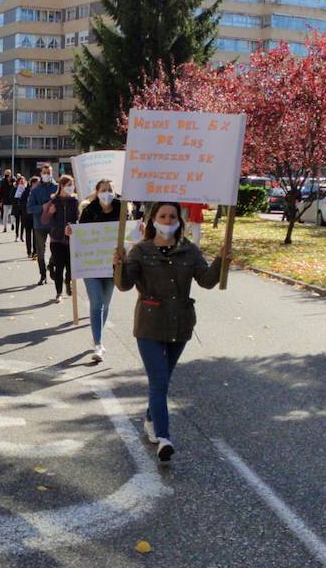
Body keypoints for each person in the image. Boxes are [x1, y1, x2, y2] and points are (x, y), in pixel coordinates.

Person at [115, 202, 227, 461]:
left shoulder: (189, 250)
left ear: (180, 220)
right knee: (159, 382)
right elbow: (123, 285)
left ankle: (150, 419)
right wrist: (118, 264)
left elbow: (207, 281)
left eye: (172, 216)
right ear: (153, 219)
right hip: (149, 325)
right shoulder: (140, 250)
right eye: (162, 216)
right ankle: (164, 437)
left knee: (163, 380)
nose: (167, 220)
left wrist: (222, 259)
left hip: (180, 324)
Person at [79, 179, 122, 362]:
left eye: (110, 189)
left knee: (105, 303)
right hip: (91, 266)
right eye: (103, 190)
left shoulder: (123, 210)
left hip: (113, 266)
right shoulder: (89, 211)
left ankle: (98, 337)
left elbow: (130, 234)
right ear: (97, 192)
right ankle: (98, 344)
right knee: (96, 303)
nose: (107, 193)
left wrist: (140, 229)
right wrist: (71, 233)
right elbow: (80, 236)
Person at [45, 174, 81, 303]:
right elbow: (44, 220)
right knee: (59, 268)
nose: (71, 188)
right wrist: (50, 212)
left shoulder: (76, 201)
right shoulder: (53, 201)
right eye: (68, 185)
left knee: (71, 268)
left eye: (72, 185)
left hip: (72, 240)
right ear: (61, 186)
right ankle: (58, 293)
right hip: (57, 240)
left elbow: (80, 219)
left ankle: (68, 281)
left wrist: (76, 224)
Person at [27, 165, 59, 285]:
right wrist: (42, 207)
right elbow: (29, 208)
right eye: (44, 172)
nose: (46, 174)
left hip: (54, 224)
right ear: (41, 173)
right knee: (40, 252)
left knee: (56, 249)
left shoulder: (57, 188)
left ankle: (51, 265)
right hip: (39, 225)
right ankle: (43, 275)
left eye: (48, 172)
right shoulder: (35, 190)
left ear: (52, 173)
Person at [21, 175, 39, 257]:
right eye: (36, 183)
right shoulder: (26, 192)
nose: (37, 185)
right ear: (32, 183)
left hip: (36, 217)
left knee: (35, 235)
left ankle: (35, 251)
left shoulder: (39, 192)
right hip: (27, 216)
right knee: (28, 234)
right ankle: (29, 251)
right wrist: (27, 209)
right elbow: (21, 202)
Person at [11, 175, 28, 243]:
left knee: (23, 222)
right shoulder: (14, 188)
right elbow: (11, 197)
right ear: (18, 182)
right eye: (20, 181)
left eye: (22, 181)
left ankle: (21, 236)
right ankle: (17, 235)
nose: (21, 183)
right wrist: (15, 199)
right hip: (17, 207)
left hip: (24, 208)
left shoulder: (26, 189)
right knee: (17, 221)